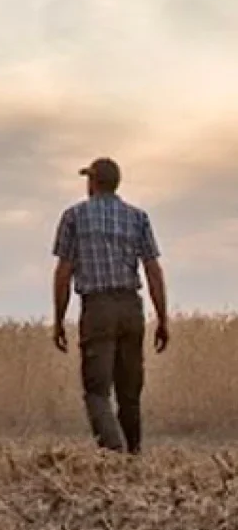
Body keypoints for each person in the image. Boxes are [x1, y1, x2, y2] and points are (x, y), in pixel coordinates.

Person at [51, 157, 169, 454]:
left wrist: (59, 319)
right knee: (130, 393)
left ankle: (113, 453)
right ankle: (134, 455)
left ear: (93, 182)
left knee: (97, 391)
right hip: (131, 307)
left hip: (98, 308)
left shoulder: (74, 217)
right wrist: (163, 319)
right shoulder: (138, 218)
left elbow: (63, 272)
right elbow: (153, 270)